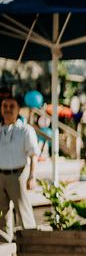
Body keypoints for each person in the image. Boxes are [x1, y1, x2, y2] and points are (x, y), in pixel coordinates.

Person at [0, 96, 38, 243]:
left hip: (19, 175)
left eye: (11, 106)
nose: (8, 109)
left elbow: (33, 154)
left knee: (24, 212)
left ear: (18, 109)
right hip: (0, 175)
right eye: (5, 106)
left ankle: (31, 243)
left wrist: (32, 176)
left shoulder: (25, 130)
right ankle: (4, 246)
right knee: (2, 214)